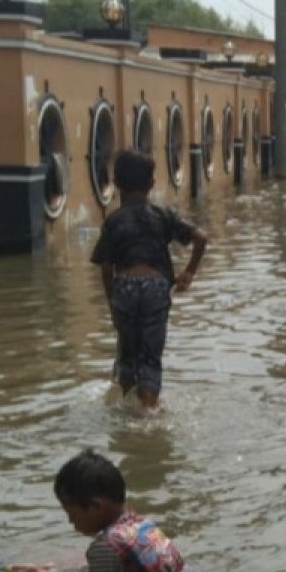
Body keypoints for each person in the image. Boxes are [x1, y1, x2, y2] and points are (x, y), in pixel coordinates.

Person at [90, 151, 207, 409]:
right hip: (156, 287)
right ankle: (149, 414)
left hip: (125, 287)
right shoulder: (163, 215)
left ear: (115, 182)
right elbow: (201, 237)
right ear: (152, 184)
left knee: (128, 358)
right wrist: (189, 272)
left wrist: (112, 305)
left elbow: (106, 269)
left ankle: (128, 412)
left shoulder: (113, 222)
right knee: (151, 360)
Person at [7, 449, 184, 572]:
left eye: (72, 514)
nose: (71, 522)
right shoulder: (144, 525)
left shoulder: (104, 547)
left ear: (96, 506)